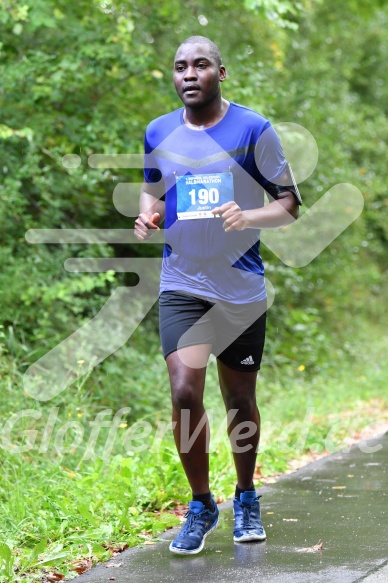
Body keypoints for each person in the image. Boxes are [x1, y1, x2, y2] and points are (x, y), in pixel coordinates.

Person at [134, 36, 301, 555]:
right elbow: (153, 186)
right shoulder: (159, 131)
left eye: (200, 65)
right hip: (182, 281)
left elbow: (291, 203)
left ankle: (246, 495)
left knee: (238, 399)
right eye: (181, 66)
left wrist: (248, 216)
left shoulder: (253, 129)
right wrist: (149, 212)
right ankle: (202, 504)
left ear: (220, 73)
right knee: (185, 392)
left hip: (239, 288)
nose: (189, 74)